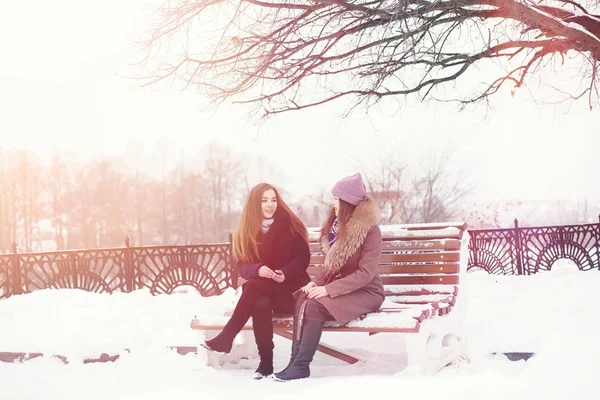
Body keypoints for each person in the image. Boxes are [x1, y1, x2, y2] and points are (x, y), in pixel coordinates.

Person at [274, 173, 384, 381]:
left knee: (315, 305)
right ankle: (294, 361)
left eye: (336, 198)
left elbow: (365, 273)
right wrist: (315, 283)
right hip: (343, 289)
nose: (333, 203)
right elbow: (331, 267)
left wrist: (327, 290)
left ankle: (301, 365)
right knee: (302, 297)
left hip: (366, 291)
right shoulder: (336, 228)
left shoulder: (370, 231)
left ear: (347, 201)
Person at [201, 183, 311, 379]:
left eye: (273, 200)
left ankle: (227, 336)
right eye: (264, 200)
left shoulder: (290, 225)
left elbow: (303, 259)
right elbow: (241, 265)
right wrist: (258, 269)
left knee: (254, 286)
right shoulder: (246, 231)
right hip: (262, 294)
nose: (270, 205)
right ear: (254, 204)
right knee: (260, 302)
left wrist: (285, 273)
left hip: (290, 292)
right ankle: (266, 364)